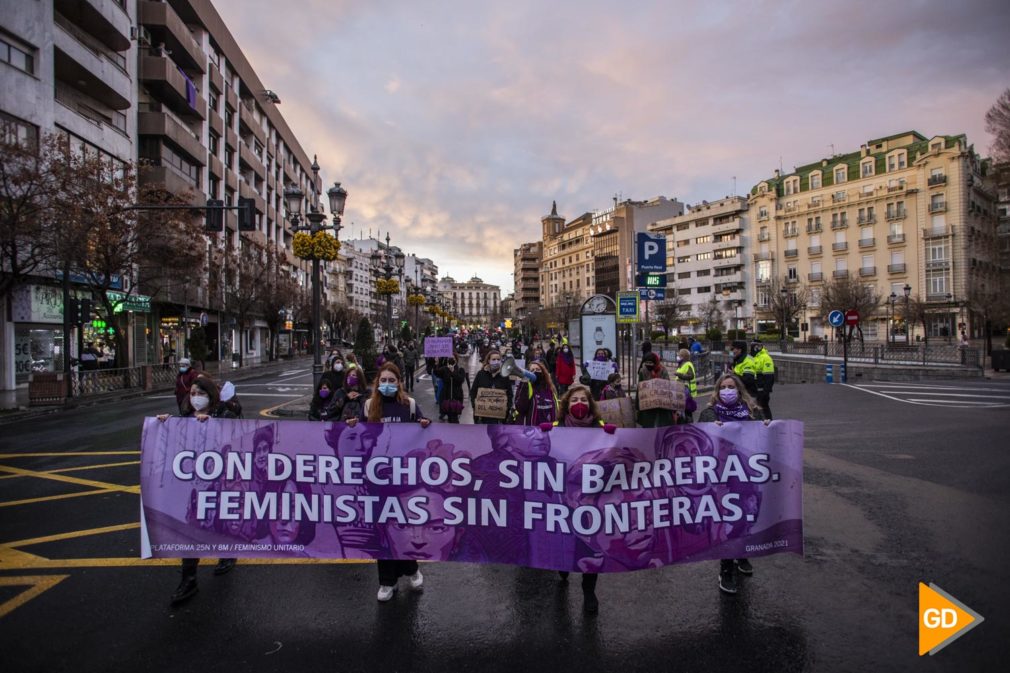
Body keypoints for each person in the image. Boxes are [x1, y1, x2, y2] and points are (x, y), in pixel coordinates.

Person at [345, 363, 431, 601]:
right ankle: (387, 582)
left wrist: (424, 425)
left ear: (399, 383)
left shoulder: (410, 406)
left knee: (400, 529)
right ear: (377, 383)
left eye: (392, 380)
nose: (387, 384)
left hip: (403, 479)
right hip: (377, 480)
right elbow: (360, 437)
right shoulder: (370, 406)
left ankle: (410, 568)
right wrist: (352, 426)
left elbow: (425, 434)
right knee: (381, 530)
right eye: (383, 380)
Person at [156, 376, 240, 606]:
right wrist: (163, 425)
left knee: (219, 520)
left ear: (211, 396)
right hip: (193, 486)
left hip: (220, 482)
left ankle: (227, 552)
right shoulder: (183, 419)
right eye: (192, 394)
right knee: (190, 527)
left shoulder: (225, 416)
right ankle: (189, 578)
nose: (195, 398)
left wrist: (212, 425)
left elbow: (236, 442)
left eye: (199, 394)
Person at [539, 384, 616, 613]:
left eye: (583, 400)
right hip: (563, 497)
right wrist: (540, 433)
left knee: (590, 544)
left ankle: (589, 590)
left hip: (590, 498)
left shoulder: (599, 427)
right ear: (566, 405)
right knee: (564, 539)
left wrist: (615, 435)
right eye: (574, 401)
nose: (579, 404)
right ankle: (563, 566)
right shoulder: (557, 427)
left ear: (590, 404)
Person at [697, 373, 769, 596]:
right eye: (723, 387)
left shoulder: (752, 411)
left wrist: (767, 425)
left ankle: (742, 554)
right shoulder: (709, 412)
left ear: (739, 390)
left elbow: (763, 434)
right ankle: (726, 568)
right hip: (722, 477)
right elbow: (700, 438)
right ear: (717, 392)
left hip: (747, 473)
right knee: (727, 519)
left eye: (732, 386)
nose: (728, 390)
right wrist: (712, 427)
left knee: (747, 514)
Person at [470, 350, 513, 424]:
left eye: (498, 359)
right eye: (493, 359)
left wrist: (507, 408)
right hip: (482, 417)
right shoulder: (481, 374)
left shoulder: (504, 376)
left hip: (498, 418)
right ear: (488, 361)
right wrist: (475, 405)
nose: (496, 361)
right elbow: (473, 391)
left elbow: (509, 394)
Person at [514, 359, 558, 426]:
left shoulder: (549, 388)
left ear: (543, 372)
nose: (535, 372)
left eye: (538, 369)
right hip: (530, 430)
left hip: (547, 429)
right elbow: (520, 408)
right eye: (532, 370)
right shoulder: (525, 386)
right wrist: (525, 384)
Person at [636, 352, 674, 428]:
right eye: (646, 362)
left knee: (661, 426)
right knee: (649, 426)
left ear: (655, 362)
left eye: (650, 363)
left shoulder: (663, 370)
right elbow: (639, 388)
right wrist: (638, 405)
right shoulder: (642, 371)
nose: (648, 365)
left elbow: (667, 385)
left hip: (661, 404)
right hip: (648, 404)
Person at [434, 357, 469, 423]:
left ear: (456, 360)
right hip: (446, 396)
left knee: (454, 418)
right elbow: (436, 373)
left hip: (456, 397)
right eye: (450, 358)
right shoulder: (444, 369)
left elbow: (461, 380)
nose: (451, 360)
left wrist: (453, 371)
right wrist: (436, 364)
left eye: (453, 358)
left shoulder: (460, 369)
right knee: (448, 417)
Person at [750, 340, 776, 420]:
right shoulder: (752, 358)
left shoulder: (765, 358)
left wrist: (766, 391)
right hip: (754, 389)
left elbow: (769, 376)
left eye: (753, 347)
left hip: (762, 390)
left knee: (764, 407)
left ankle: (769, 424)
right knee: (755, 409)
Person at [674, 349, 697, 421]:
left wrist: (679, 375)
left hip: (687, 391)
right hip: (682, 390)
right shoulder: (682, 364)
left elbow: (691, 376)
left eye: (679, 355)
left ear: (683, 356)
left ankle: (689, 425)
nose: (677, 356)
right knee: (682, 410)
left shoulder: (688, 364)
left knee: (687, 410)